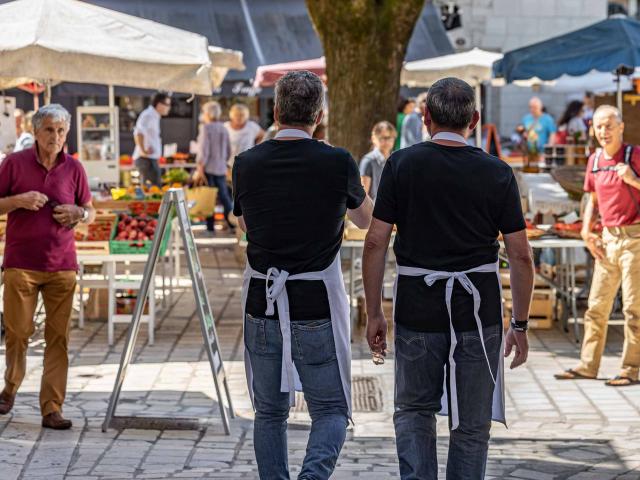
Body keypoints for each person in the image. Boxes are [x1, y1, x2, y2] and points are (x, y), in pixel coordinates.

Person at [363, 77, 533, 480]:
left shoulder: (401, 165)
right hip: (479, 311)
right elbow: (521, 255)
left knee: (414, 412)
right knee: (472, 425)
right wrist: (520, 325)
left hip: (417, 308)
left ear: (425, 118)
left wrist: (374, 312)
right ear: (474, 119)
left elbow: (375, 243)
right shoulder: (497, 173)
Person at [233, 70, 373, 479]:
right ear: (320, 115)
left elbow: (244, 225)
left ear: (275, 111)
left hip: (263, 300)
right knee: (331, 409)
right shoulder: (337, 162)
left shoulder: (247, 163)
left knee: (269, 413)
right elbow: (365, 220)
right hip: (317, 303)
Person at [0, 104, 96, 430]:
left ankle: (52, 407)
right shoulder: (14, 164)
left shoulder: (75, 168)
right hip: (20, 264)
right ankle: (10, 387)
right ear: (36, 131)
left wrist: (78, 214)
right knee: (17, 332)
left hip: (62, 266)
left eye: (61, 131)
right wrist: (18, 201)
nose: (55, 136)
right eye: (49, 130)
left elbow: (90, 210)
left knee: (59, 338)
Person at [555, 105, 640, 387]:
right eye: (599, 126)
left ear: (620, 127)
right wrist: (584, 229)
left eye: (608, 126)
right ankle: (588, 366)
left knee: (633, 310)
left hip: (634, 241)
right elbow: (591, 198)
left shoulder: (633, 156)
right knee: (596, 307)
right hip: (606, 240)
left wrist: (633, 179)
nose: (603, 131)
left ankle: (629, 369)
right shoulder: (594, 160)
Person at [195, 101, 234, 232]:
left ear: (207, 113)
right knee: (224, 197)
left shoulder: (206, 128)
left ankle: (210, 227)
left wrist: (200, 166)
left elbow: (203, 150)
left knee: (209, 197)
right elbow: (229, 150)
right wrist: (223, 161)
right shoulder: (224, 128)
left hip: (208, 168)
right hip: (221, 167)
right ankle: (232, 223)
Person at [133, 92, 171, 186]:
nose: (169, 107)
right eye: (167, 104)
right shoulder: (149, 115)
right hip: (146, 160)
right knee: (152, 192)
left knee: (154, 191)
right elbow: (138, 133)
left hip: (149, 159)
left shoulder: (154, 115)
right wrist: (143, 151)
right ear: (159, 104)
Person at [360, 121, 397, 202]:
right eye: (383, 138)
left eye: (390, 138)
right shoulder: (368, 161)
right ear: (374, 139)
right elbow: (363, 196)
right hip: (373, 211)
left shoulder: (396, 159)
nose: (387, 141)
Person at [225, 103, 264, 169]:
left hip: (248, 163)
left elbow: (262, 135)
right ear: (231, 115)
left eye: (242, 115)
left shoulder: (252, 126)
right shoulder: (225, 126)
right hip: (228, 164)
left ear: (246, 116)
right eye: (236, 115)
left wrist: (256, 147)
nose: (239, 117)